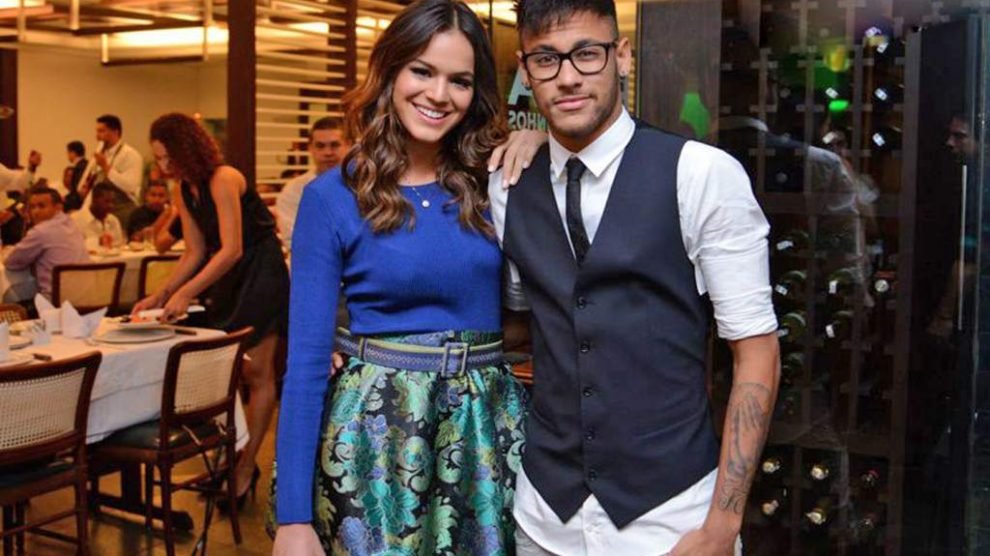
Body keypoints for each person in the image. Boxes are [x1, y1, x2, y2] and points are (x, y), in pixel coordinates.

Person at [488, 1, 780, 554]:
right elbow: (526, 325)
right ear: (526, 72)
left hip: (673, 519)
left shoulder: (701, 174)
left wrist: (723, 524)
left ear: (621, 57)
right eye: (546, 59)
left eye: (587, 54)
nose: (568, 76)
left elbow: (757, 352)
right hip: (544, 518)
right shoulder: (508, 188)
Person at [271, 1, 542, 553]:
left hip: (485, 431)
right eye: (422, 71)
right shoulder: (331, 197)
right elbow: (305, 364)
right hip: (374, 442)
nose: (439, 95)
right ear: (390, 71)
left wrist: (542, 141)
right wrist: (292, 518)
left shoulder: (497, 180)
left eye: (459, 81)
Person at [132, 112, 290, 507]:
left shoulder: (224, 178)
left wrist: (187, 293)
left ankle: (245, 467)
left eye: (168, 157)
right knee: (227, 372)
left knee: (257, 372)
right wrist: (162, 294)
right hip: (227, 277)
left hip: (260, 272)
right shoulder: (183, 190)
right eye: (159, 158)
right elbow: (195, 251)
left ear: (187, 149)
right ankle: (231, 455)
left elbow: (233, 248)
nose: (163, 166)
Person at [275, 117, 350, 252]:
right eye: (320, 146)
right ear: (310, 148)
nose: (328, 153)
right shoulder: (294, 190)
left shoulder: (365, 187)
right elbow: (294, 240)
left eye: (335, 145)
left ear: (349, 145)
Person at [3, 186, 88, 300]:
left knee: (7, 294)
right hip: (85, 297)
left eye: (41, 206)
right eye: (32, 207)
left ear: (58, 208)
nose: (35, 212)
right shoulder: (71, 223)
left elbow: (12, 263)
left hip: (56, 300)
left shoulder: (41, 231)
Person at [80, 114, 143, 224]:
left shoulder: (131, 155)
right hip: (94, 208)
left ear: (115, 132)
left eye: (101, 131)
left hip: (120, 209)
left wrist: (106, 168)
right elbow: (87, 179)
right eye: (97, 131)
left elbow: (131, 186)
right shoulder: (99, 152)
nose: (97, 136)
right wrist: (84, 187)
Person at [72, 182, 125, 249]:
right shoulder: (76, 220)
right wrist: (98, 241)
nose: (111, 206)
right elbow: (72, 246)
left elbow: (119, 247)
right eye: (107, 201)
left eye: (113, 202)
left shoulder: (113, 220)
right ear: (94, 200)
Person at [63, 140, 87, 211]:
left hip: (78, 203)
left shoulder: (81, 167)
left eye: (68, 153)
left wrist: (67, 199)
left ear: (73, 153)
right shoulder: (83, 165)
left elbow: (78, 187)